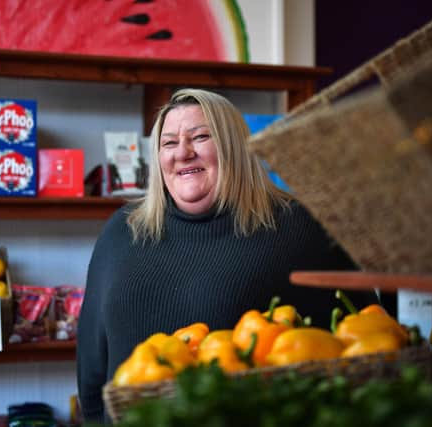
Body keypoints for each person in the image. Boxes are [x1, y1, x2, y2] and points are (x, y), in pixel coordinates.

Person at [77, 88, 379, 423]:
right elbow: (92, 365)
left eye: (201, 136)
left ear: (235, 146)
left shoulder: (298, 226)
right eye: (168, 143)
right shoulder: (122, 230)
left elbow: (364, 347)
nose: (183, 153)